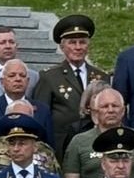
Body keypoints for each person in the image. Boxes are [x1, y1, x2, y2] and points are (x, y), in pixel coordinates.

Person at [33, 14, 105, 156]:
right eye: (72, 42)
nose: (78, 47)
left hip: (96, 144)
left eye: (82, 42)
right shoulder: (49, 77)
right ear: (62, 46)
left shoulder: (102, 77)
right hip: (63, 146)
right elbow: (41, 117)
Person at [0, 59, 52, 151]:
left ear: (28, 81)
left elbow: (49, 147)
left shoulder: (43, 110)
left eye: (22, 76)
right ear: (2, 81)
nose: (18, 79)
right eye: (12, 75)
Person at [0, 27, 40, 101]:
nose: (8, 46)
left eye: (11, 42)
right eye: (2, 43)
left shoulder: (33, 76)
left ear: (17, 46)